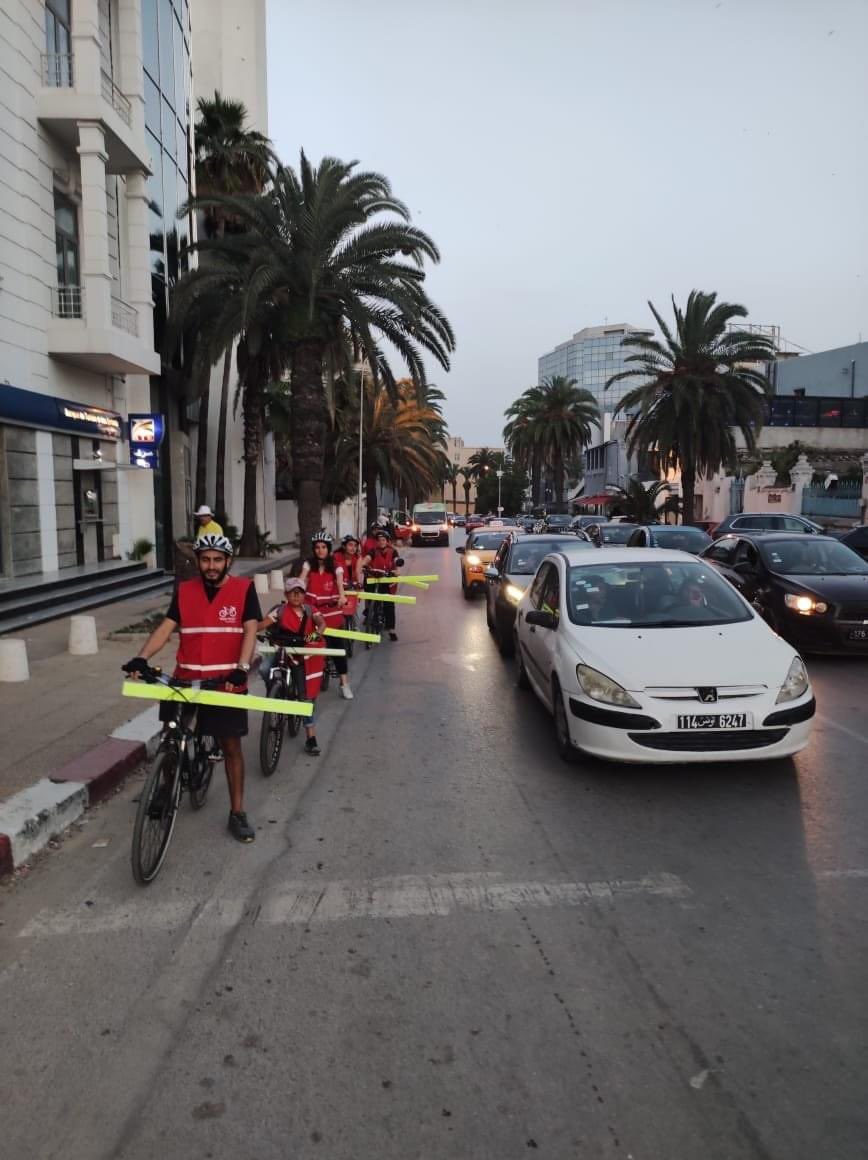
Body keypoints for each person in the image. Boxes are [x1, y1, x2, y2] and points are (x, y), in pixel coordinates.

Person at [122, 534, 260, 843]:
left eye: (217, 560)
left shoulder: (244, 589)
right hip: (184, 679)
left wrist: (241, 668)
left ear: (228, 561)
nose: (211, 566)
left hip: (225, 683)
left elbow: (250, 630)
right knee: (171, 736)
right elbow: (166, 627)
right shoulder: (185, 590)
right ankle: (166, 785)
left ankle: (237, 812)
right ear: (198, 561)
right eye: (205, 559)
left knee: (231, 747)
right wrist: (142, 657)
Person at [260, 577, 326, 756]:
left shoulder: (311, 610)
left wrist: (313, 637)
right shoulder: (279, 611)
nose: (296, 595)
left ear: (304, 594)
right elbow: (262, 625)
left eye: (300, 592)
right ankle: (275, 692)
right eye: (292, 592)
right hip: (281, 651)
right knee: (264, 669)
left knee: (304, 697)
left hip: (300, 655)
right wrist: (249, 627)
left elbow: (322, 624)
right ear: (286, 594)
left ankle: (311, 738)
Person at [299, 531, 353, 699]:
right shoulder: (308, 565)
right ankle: (309, 679)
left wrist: (342, 596)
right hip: (313, 615)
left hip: (332, 614)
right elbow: (301, 581)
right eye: (317, 547)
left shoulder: (336, 566)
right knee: (309, 642)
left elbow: (340, 583)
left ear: (329, 549)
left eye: (323, 547)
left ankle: (344, 683)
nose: (320, 550)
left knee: (338, 650)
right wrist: (295, 593)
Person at [361, 527, 402, 641]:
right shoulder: (373, 551)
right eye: (379, 540)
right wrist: (363, 565)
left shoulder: (393, 551)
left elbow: (396, 561)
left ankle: (391, 630)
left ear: (387, 541)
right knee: (371, 599)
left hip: (388, 580)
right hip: (375, 578)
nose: (381, 542)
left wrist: (397, 570)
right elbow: (367, 558)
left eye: (383, 540)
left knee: (389, 605)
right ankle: (370, 615)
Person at [333, 534, 363, 626]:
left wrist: (359, 585)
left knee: (353, 608)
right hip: (337, 585)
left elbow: (358, 573)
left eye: (355, 546)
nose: (353, 548)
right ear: (344, 546)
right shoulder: (336, 556)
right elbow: (335, 573)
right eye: (350, 545)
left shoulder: (357, 557)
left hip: (351, 585)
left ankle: (355, 627)